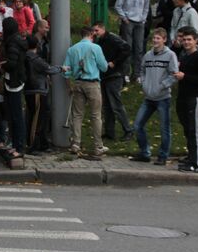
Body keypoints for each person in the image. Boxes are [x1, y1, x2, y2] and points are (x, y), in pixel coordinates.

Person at [129, 28, 180, 165]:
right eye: (154, 38)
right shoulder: (147, 55)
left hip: (163, 98)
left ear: (164, 40)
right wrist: (144, 83)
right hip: (148, 98)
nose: (155, 41)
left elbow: (174, 75)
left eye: (158, 38)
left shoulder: (170, 55)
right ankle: (145, 152)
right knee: (137, 125)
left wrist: (163, 85)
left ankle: (163, 156)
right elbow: (142, 71)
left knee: (164, 128)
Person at [63, 26, 109, 158]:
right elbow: (104, 67)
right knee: (96, 115)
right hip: (92, 83)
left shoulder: (72, 49)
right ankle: (98, 146)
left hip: (78, 83)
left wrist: (69, 85)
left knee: (77, 115)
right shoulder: (95, 48)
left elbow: (66, 70)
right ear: (91, 35)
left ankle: (75, 144)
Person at [173, 26, 198, 173]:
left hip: (194, 97)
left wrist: (185, 77)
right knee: (187, 128)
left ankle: (197, 163)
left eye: (189, 40)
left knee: (194, 129)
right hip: (183, 96)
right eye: (184, 40)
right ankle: (191, 156)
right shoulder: (184, 56)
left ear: (196, 41)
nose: (186, 42)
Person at [23, 35, 65, 153]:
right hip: (37, 90)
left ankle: (42, 143)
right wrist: (62, 68)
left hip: (31, 90)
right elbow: (49, 69)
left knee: (38, 118)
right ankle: (33, 145)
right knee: (36, 120)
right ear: (37, 45)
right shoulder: (35, 59)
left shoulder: (25, 57)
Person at [92, 22, 133, 141]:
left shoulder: (113, 39)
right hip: (105, 75)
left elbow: (127, 49)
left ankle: (128, 130)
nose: (95, 33)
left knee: (116, 105)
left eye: (97, 30)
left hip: (114, 75)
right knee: (107, 106)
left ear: (102, 29)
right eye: (94, 31)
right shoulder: (100, 41)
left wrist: (115, 62)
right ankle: (110, 132)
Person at [115, 0, 151, 82]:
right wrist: (124, 18)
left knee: (139, 48)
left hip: (140, 22)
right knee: (128, 47)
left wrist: (143, 19)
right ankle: (125, 73)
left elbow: (146, 6)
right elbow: (118, 5)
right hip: (128, 21)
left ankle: (137, 74)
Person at [0, 17, 28, 159]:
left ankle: (19, 146)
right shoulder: (18, 41)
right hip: (16, 80)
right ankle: (16, 145)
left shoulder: (12, 43)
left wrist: (3, 65)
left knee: (16, 116)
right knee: (14, 116)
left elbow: (12, 63)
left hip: (14, 81)